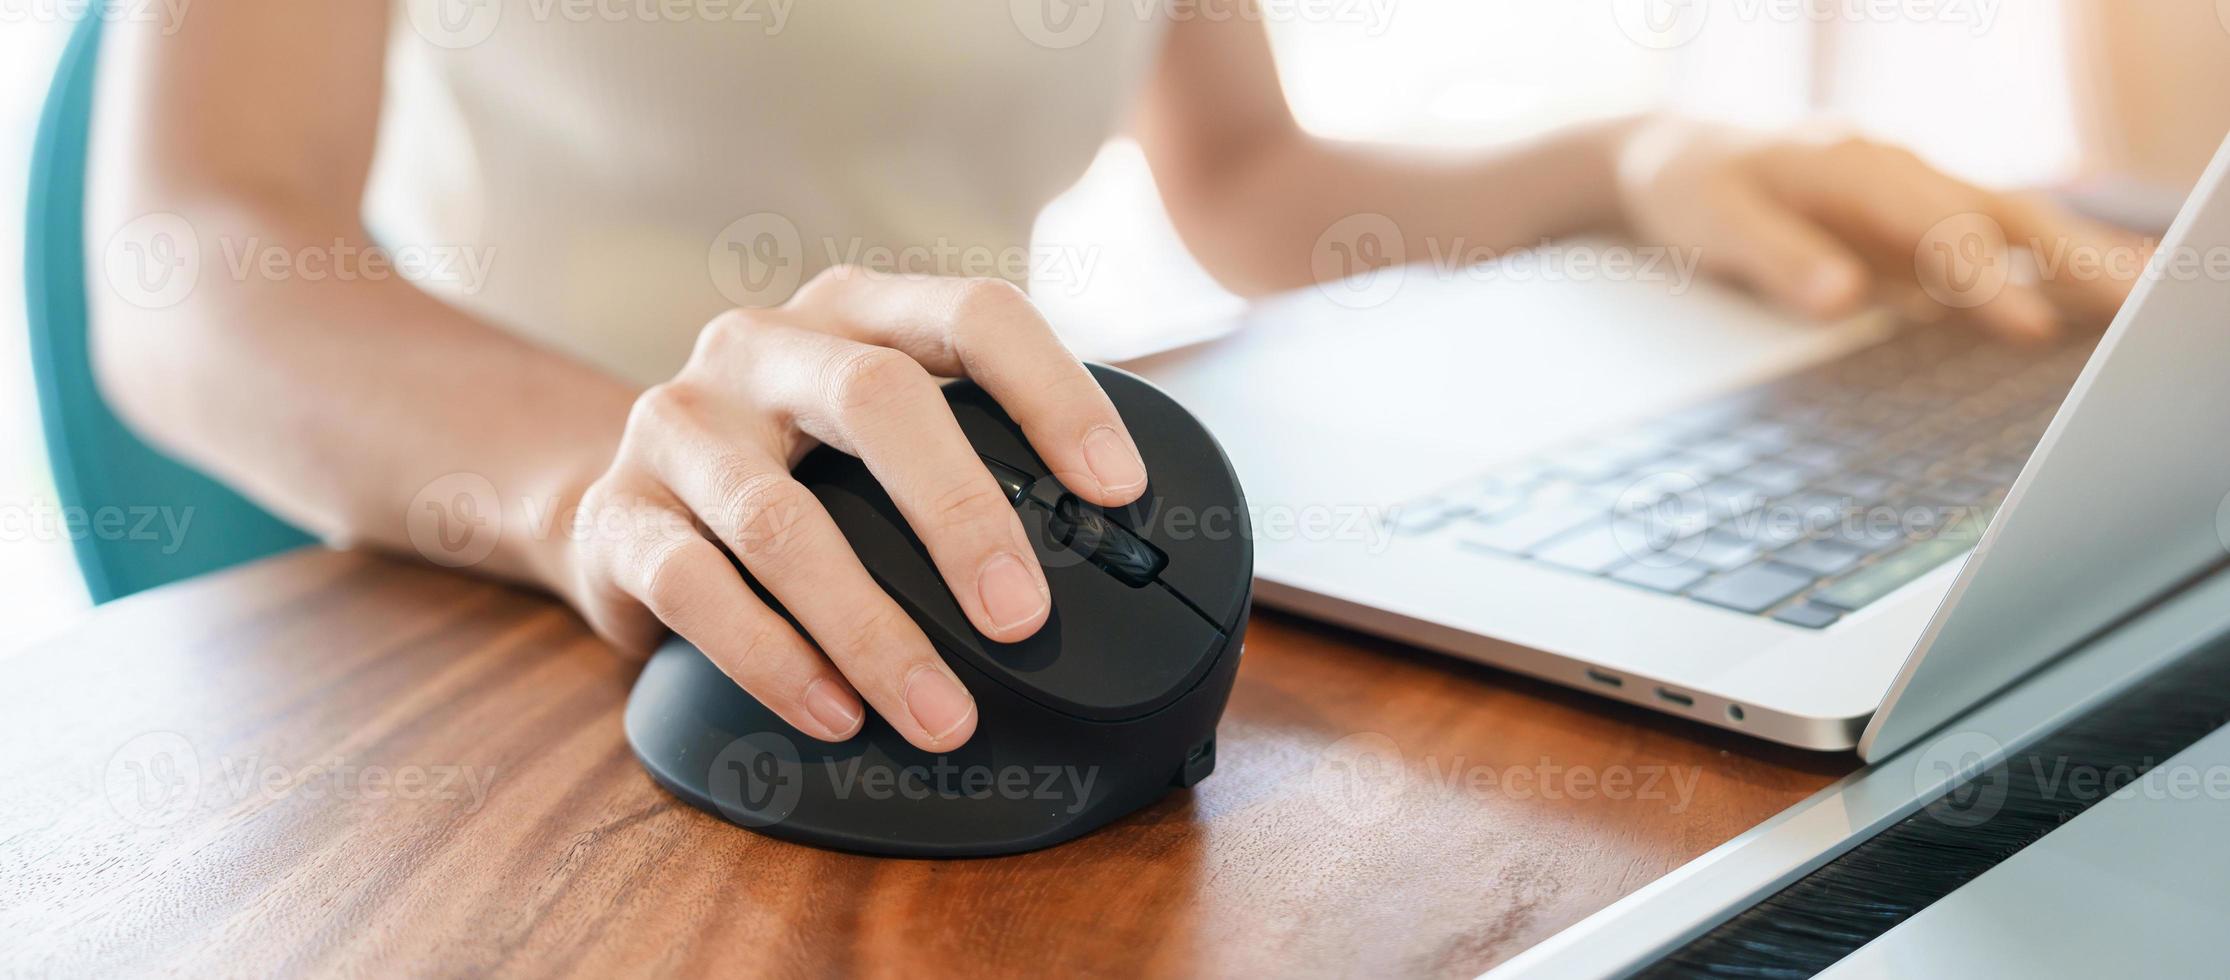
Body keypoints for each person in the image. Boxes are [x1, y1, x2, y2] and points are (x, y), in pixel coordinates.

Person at [87, 2, 2138, 753]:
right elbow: (194, 245)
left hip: (976, 552)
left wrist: (1626, 159)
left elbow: (1250, 181)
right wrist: (582, 482)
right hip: (556, 583)